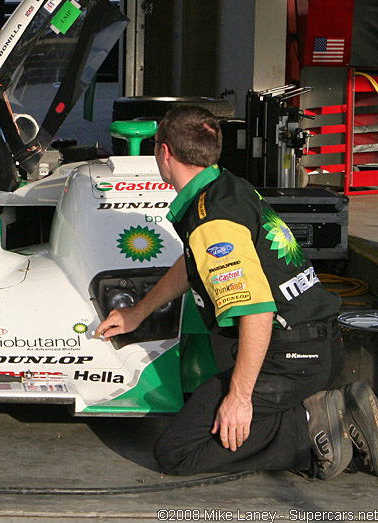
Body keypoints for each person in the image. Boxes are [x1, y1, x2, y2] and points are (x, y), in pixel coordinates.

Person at [94, 106, 378, 479]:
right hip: (315, 346)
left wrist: (240, 399)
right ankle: (331, 420)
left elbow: (257, 311)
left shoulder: (214, 221)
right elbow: (193, 262)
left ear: (164, 152)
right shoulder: (226, 188)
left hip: (289, 358)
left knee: (178, 452)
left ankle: (314, 424)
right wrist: (139, 311)